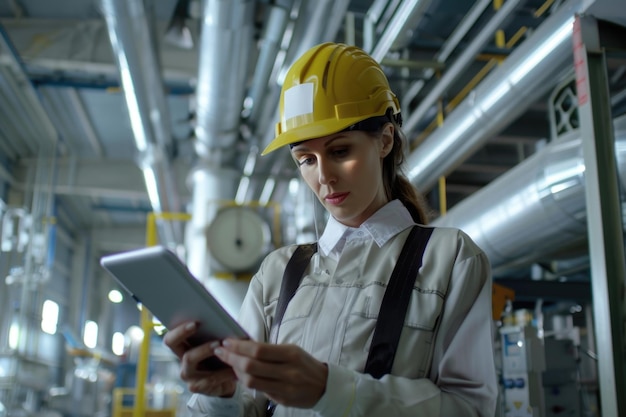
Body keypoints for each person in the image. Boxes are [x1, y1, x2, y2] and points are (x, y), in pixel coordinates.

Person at [164, 42, 498, 416]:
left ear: (385, 140)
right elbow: (248, 404)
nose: (323, 177)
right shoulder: (278, 273)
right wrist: (218, 396)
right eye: (306, 159)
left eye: (340, 151)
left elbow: (470, 409)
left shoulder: (449, 258)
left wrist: (333, 390)